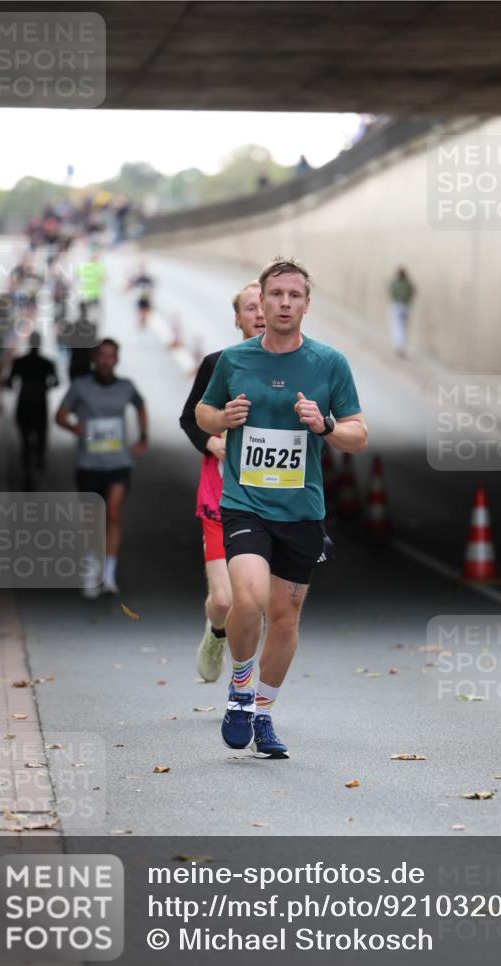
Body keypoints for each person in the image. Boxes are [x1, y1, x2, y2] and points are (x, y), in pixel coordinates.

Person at [195, 258, 368, 758]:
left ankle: (264, 714)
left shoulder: (329, 363)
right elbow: (203, 412)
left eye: (295, 295)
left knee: (285, 617)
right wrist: (223, 416)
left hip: (302, 511)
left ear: (307, 305)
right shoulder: (234, 360)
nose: (285, 303)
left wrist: (325, 426)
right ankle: (240, 691)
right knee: (246, 600)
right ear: (262, 303)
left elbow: (358, 434)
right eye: (276, 295)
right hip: (245, 502)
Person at [180, 281, 266, 683]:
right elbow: (189, 418)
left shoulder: (302, 364)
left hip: (271, 499)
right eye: (251, 307)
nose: (260, 313)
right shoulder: (219, 363)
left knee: (256, 600)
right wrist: (212, 441)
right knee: (224, 599)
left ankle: (244, 681)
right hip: (222, 495)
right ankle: (216, 632)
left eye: (264, 305)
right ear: (238, 318)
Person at [55, 338, 147, 598]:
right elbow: (59, 415)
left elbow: (140, 406)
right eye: (102, 355)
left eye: (111, 356)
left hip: (118, 463)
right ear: (95, 358)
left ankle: (109, 574)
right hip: (89, 464)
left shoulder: (126, 387)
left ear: (117, 359)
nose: (106, 360)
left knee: (114, 513)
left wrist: (144, 436)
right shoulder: (80, 387)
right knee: (92, 519)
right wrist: (73, 426)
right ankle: (90, 568)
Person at [6, 332, 59, 488]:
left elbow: (9, 383)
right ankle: (40, 457)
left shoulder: (19, 362)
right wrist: (45, 387)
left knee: (24, 440)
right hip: (40, 404)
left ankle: (27, 472)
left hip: (24, 403)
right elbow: (56, 382)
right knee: (41, 433)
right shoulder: (47, 363)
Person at [388, 266, 416, 357]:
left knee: (397, 327)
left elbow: (391, 292)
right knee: (403, 328)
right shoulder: (408, 284)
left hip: (397, 307)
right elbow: (413, 292)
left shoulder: (396, 284)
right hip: (405, 307)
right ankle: (401, 346)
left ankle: (399, 346)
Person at [125, 260, 155, 328]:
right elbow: (131, 285)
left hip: (146, 298)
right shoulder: (137, 278)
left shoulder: (148, 278)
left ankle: (144, 319)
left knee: (146, 311)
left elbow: (152, 288)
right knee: (142, 311)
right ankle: (142, 320)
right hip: (141, 298)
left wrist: (151, 294)